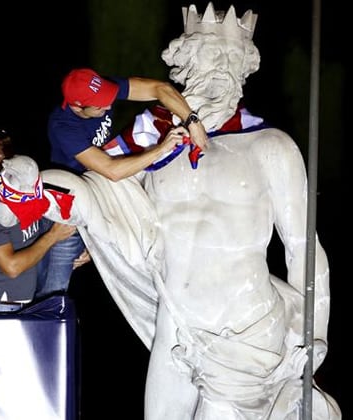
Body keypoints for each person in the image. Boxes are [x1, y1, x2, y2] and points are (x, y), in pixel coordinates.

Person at [130, 3, 339, 418]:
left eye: (231, 60)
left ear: (246, 69)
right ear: (183, 63)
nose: (221, 70)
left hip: (243, 328)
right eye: (210, 55)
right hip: (175, 320)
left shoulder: (270, 147)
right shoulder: (154, 151)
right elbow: (120, 213)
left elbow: (303, 249)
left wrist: (315, 336)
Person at [36, 66, 209, 299]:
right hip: (68, 210)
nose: (108, 106)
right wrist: (162, 148)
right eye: (99, 106)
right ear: (78, 107)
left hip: (99, 188)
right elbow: (112, 171)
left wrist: (192, 121)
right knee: (52, 293)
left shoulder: (101, 92)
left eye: (107, 99)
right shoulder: (63, 126)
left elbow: (160, 88)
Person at [0, 129, 78, 313]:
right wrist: (53, 237)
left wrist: (75, 251)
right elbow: (12, 267)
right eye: (1, 167)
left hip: (28, 301)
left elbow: (51, 222)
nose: (7, 172)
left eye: (10, 164)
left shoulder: (28, 186)